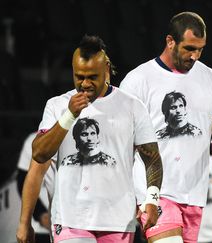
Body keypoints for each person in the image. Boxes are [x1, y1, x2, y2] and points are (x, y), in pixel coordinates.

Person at [120, 11, 212, 243]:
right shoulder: (139, 81)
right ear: (170, 41)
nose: (195, 56)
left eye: (200, 49)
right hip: (155, 193)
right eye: (189, 48)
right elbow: (123, 144)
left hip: (194, 195)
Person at [18, 35, 163, 243]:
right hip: (70, 220)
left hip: (119, 221)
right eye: (79, 76)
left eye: (92, 77)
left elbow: (152, 158)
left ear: (106, 68)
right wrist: (69, 116)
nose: (85, 84)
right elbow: (39, 155)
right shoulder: (57, 106)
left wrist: (152, 198)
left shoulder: (132, 106)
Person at [16, 132, 55, 243]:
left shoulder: (85, 136)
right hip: (41, 229)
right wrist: (40, 214)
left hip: (76, 226)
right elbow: (23, 181)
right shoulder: (34, 140)